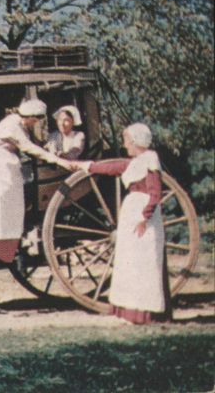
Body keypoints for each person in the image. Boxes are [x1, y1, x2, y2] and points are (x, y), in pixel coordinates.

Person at [69, 123, 170, 324]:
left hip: (142, 214)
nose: (125, 145)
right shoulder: (135, 162)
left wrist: (145, 217)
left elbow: (155, 192)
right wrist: (86, 165)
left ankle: (144, 313)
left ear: (135, 141)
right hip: (133, 211)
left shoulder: (150, 159)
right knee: (129, 261)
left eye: (126, 141)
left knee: (143, 261)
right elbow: (112, 167)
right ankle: (129, 311)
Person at [0, 99, 71, 263]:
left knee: (13, 203)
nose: (35, 123)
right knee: (3, 202)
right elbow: (27, 146)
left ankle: (7, 247)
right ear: (31, 117)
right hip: (1, 166)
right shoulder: (11, 125)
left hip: (9, 164)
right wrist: (56, 160)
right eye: (36, 120)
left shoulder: (20, 124)